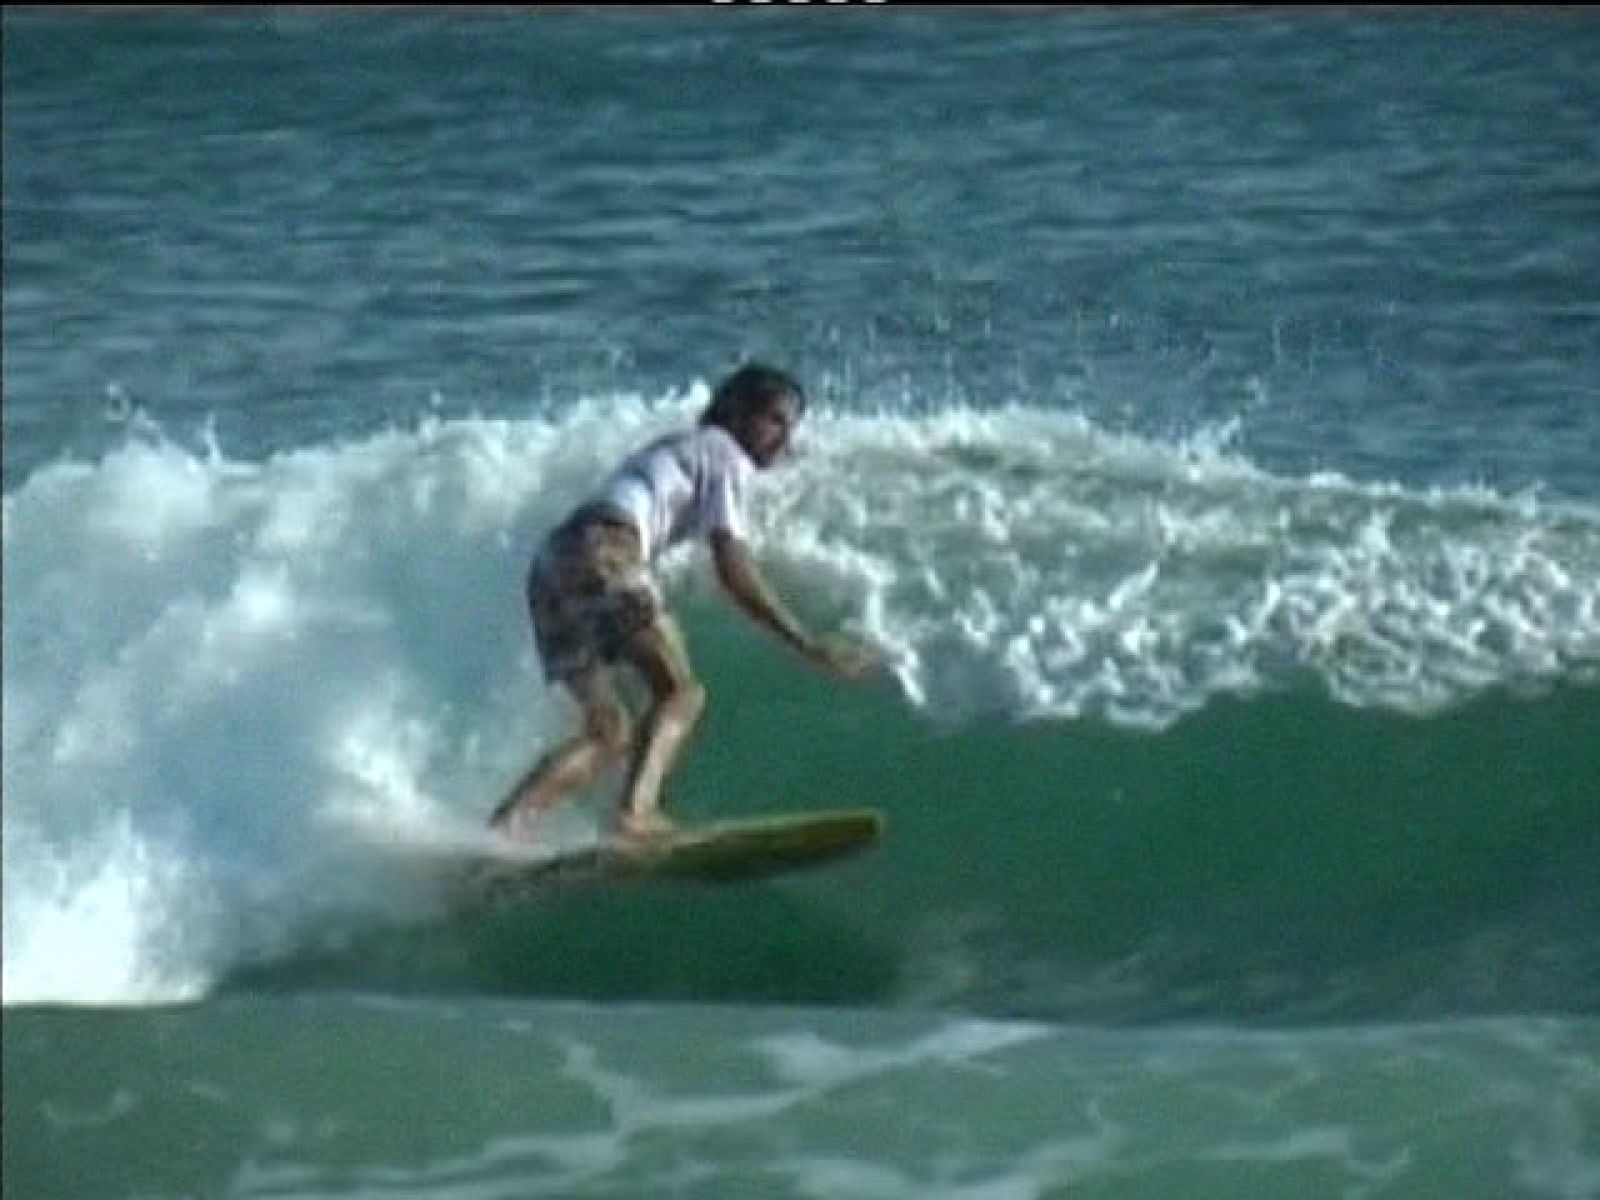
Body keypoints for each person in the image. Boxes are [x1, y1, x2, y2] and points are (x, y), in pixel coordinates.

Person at [490, 363, 877, 844]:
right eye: (775, 421)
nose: (783, 437)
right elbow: (733, 570)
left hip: (550, 567)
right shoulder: (723, 451)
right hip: (605, 551)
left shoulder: (678, 449)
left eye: (791, 427)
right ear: (736, 413)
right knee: (682, 693)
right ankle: (636, 815)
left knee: (608, 731)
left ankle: (507, 827)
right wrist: (805, 644)